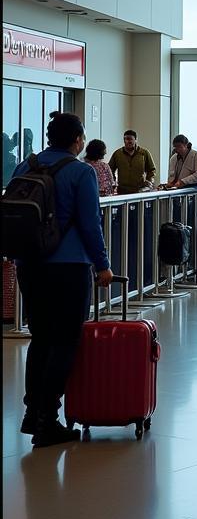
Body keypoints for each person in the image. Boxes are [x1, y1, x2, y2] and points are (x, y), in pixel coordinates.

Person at [11, 113, 113, 447]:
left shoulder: (24, 167)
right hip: (68, 266)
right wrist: (103, 266)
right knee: (65, 341)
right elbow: (90, 224)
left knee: (40, 338)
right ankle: (47, 420)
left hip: (29, 264)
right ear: (77, 139)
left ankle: (31, 413)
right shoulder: (80, 172)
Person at [108, 130, 157, 194]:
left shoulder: (144, 153)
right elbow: (110, 169)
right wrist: (113, 182)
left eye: (129, 139)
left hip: (139, 190)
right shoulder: (117, 154)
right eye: (125, 139)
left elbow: (152, 170)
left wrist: (149, 181)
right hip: (122, 190)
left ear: (136, 140)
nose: (127, 141)